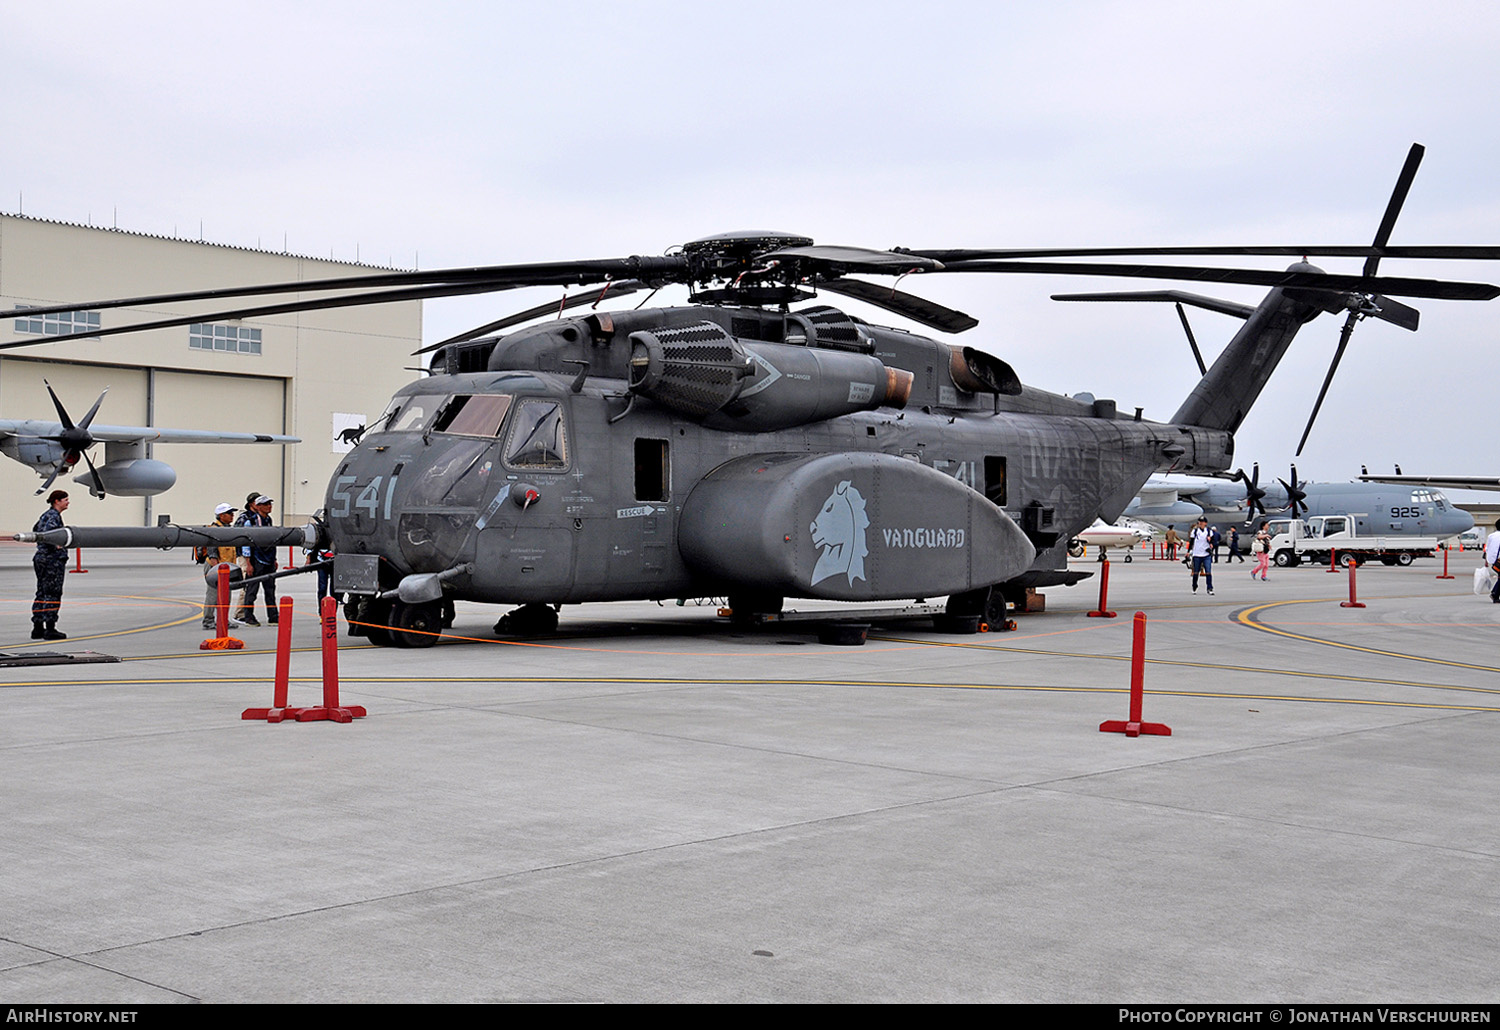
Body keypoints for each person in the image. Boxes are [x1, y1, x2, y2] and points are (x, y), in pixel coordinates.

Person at [30, 489, 70, 640]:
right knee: (53, 593)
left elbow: (36, 529)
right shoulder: (54, 516)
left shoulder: (45, 515)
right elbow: (49, 534)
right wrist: (57, 545)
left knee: (41, 592)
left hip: (41, 557)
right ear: (57, 501)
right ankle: (50, 628)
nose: (68, 502)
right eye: (65, 499)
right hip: (51, 560)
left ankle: (37, 627)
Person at [197, 503, 243, 630]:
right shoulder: (215, 530)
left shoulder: (228, 529)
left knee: (226, 595)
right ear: (221, 516)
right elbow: (212, 554)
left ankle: (223, 620)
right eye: (229, 513)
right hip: (216, 566)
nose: (232, 515)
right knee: (212, 594)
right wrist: (215, 571)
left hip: (227, 568)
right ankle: (208, 620)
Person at [235, 494, 279, 626]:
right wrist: (248, 562)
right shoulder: (251, 521)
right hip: (256, 559)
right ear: (258, 506)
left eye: (270, 504)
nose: (269, 506)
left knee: (270, 589)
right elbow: (247, 543)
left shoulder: (268, 520)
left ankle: (273, 616)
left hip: (269, 559)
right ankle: (248, 616)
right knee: (252, 589)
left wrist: (274, 558)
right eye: (265, 504)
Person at [1188, 515, 1214, 594]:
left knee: (1208, 572)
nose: (1200, 523)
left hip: (1206, 554)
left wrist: (1211, 542)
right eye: (1199, 522)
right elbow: (1191, 542)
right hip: (1197, 554)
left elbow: (1214, 541)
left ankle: (1209, 588)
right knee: (1196, 572)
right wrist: (1188, 551)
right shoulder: (1195, 531)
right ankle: (1194, 586)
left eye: (1202, 522)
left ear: (1205, 523)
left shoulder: (1209, 531)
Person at [1485, 518, 1500, 604]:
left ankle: (1495, 593)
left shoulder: (1491, 535)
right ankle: (1495, 594)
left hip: (1492, 560)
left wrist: (1486, 561)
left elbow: (1487, 548)